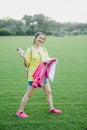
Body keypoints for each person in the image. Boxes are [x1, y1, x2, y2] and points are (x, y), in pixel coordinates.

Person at [16, 32, 62, 118]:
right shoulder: (29, 50)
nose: (41, 39)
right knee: (29, 94)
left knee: (48, 92)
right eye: (39, 37)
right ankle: (20, 111)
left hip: (42, 75)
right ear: (35, 38)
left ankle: (51, 109)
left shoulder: (44, 50)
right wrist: (24, 57)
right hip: (34, 76)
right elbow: (27, 64)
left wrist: (49, 61)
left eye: (43, 39)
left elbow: (47, 59)